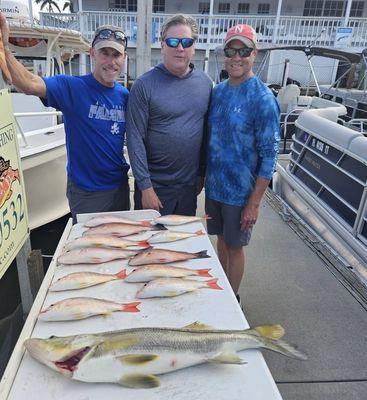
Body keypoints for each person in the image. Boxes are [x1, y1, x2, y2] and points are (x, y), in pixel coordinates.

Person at [0, 13, 130, 223]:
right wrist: (4, 48)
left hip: (119, 188)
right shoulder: (73, 87)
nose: (111, 61)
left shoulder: (125, 96)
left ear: (123, 58)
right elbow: (29, 84)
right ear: (92, 54)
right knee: (87, 254)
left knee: (119, 250)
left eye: (116, 55)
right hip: (86, 193)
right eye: (104, 53)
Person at [205, 24, 280, 302]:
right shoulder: (219, 92)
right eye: (231, 50)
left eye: (244, 50)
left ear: (254, 54)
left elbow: (270, 154)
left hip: (240, 193)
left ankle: (232, 300)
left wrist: (254, 202)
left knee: (235, 247)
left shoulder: (263, 99)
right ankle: (222, 291)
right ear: (224, 54)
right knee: (221, 241)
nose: (237, 57)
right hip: (215, 189)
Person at [126, 14, 212, 216]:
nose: (179, 48)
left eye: (186, 42)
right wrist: (145, 186)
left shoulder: (206, 84)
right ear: (163, 45)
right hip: (153, 189)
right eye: (173, 41)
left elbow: (206, 135)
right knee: (148, 246)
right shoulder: (143, 85)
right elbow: (134, 138)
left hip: (188, 190)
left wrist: (201, 174)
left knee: (182, 246)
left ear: (193, 46)